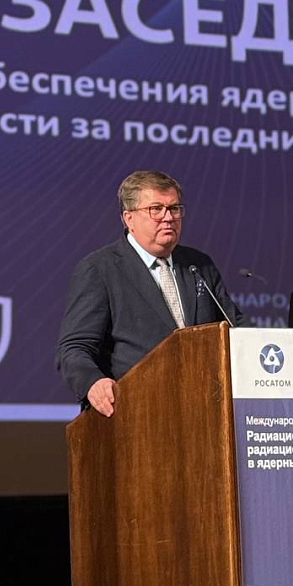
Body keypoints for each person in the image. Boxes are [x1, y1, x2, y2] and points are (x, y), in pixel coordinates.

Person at [56, 170, 243, 416]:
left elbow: (235, 329)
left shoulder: (199, 265)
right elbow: (75, 348)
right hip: (135, 411)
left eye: (174, 208)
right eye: (156, 209)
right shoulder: (100, 269)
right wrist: (93, 382)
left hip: (203, 407)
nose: (168, 217)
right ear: (129, 218)